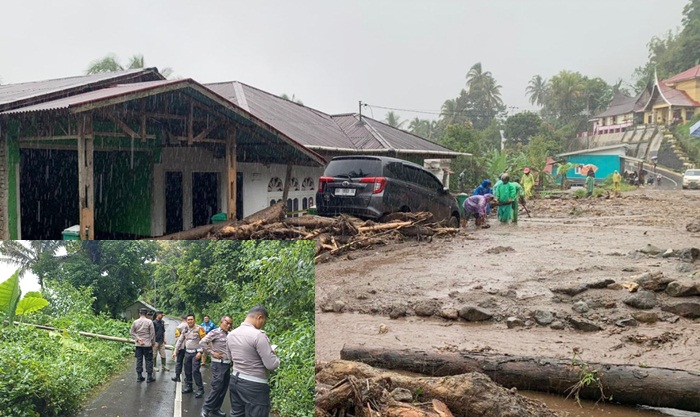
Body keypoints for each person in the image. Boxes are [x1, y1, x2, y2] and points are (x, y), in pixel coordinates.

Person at [227, 305, 280, 417]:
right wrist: (274, 356)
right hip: (254, 386)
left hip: (235, 381)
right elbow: (271, 365)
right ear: (259, 317)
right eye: (263, 321)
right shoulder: (258, 335)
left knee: (237, 414)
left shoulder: (231, 334)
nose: (262, 324)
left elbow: (230, 358)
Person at [200, 316, 234, 417]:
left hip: (227, 365)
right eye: (227, 323)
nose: (228, 325)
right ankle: (206, 407)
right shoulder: (215, 332)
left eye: (230, 324)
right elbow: (202, 342)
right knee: (217, 387)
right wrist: (212, 352)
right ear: (221, 322)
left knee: (223, 388)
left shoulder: (230, 334)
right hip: (218, 364)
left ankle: (215, 408)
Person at [173, 314, 207, 397]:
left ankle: (200, 389)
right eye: (188, 320)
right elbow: (180, 340)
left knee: (195, 371)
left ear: (194, 320)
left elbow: (205, 341)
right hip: (187, 353)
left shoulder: (200, 329)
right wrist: (175, 351)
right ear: (186, 321)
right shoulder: (185, 329)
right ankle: (189, 387)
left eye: (191, 319)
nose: (190, 321)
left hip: (196, 353)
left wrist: (201, 352)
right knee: (187, 371)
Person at [130, 308, 156, 383]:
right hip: (147, 344)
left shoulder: (135, 322)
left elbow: (132, 332)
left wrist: (138, 338)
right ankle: (149, 377)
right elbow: (152, 334)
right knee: (149, 360)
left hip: (138, 345)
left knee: (139, 360)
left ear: (139, 314)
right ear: (146, 314)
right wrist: (153, 342)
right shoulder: (149, 322)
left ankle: (139, 376)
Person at [172, 314, 189, 382]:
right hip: (189, 347)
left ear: (181, 319)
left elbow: (178, 338)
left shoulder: (179, 327)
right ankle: (187, 378)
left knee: (179, 362)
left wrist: (176, 348)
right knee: (187, 363)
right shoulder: (191, 326)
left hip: (181, 346)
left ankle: (177, 376)